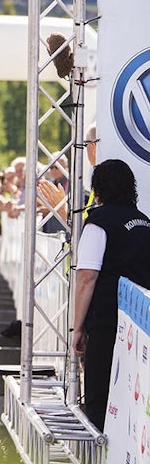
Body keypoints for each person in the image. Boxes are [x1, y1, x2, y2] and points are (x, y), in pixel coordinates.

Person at [72, 159, 150, 433]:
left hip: (107, 321)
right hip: (141, 325)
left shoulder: (98, 222)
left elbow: (87, 278)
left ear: (98, 189)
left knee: (99, 396)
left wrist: (78, 327)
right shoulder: (144, 222)